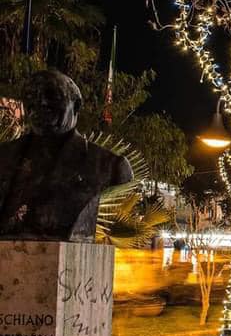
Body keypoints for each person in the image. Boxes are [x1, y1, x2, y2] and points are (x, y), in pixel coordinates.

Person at [0, 70, 133, 241]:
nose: (40, 102)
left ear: (76, 105)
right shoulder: (5, 155)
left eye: (52, 95)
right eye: (31, 95)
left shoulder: (109, 166)